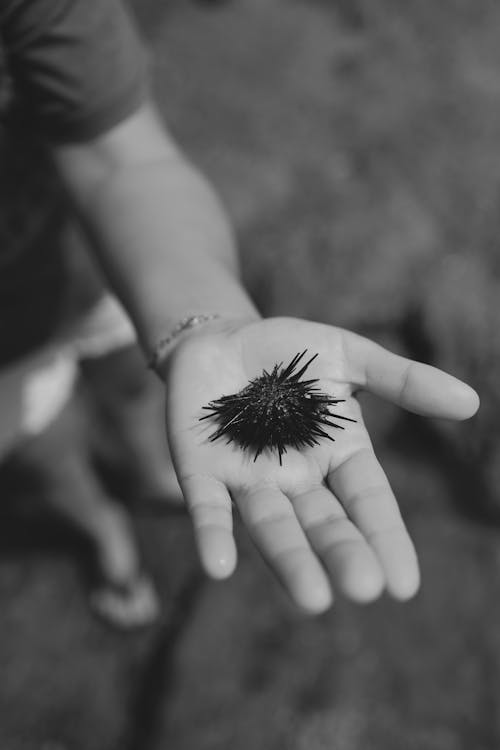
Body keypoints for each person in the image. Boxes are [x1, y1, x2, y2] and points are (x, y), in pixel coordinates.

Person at [0, 0, 479, 623]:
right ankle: (100, 526)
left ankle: (150, 470)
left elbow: (121, 156)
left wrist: (209, 324)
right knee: (46, 447)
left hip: (90, 269)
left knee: (138, 391)